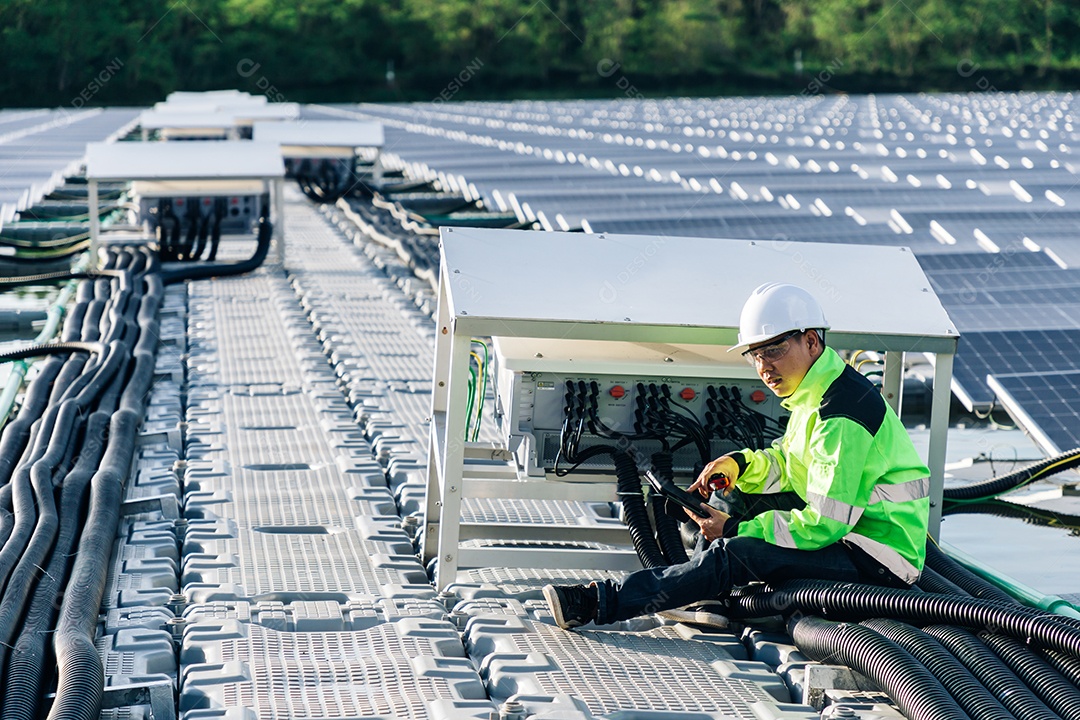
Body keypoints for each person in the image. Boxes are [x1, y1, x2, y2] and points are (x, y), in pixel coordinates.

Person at [543, 282, 931, 630]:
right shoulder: (818, 389)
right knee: (731, 492)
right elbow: (789, 464)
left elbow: (825, 525)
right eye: (755, 355)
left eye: (774, 350)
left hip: (875, 560)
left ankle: (598, 603)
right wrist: (739, 465)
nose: (764, 367)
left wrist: (733, 530)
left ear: (811, 341)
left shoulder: (839, 414)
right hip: (853, 532)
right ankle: (705, 596)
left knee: (737, 552)